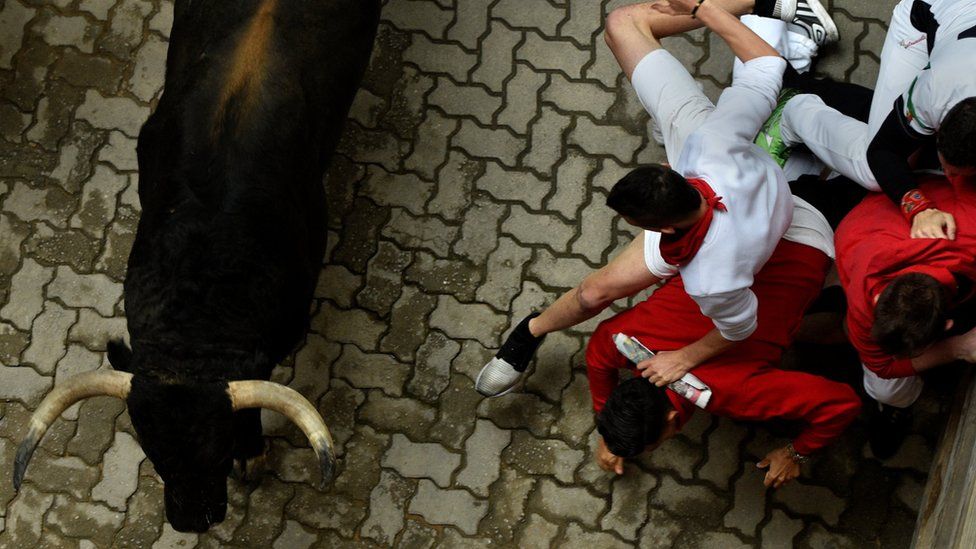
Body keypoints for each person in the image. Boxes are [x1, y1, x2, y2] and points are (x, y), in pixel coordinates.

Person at [476, 1, 839, 397]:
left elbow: (740, 328)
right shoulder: (712, 141)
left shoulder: (709, 280)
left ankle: (529, 331)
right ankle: (769, 3)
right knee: (622, 24)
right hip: (729, 177)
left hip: (786, 227)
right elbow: (766, 66)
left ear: (662, 227)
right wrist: (702, 8)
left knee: (592, 293)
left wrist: (685, 357)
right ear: (669, 171)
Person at [588, 212, 860, 488]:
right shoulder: (620, 339)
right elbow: (597, 353)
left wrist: (795, 452)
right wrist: (612, 429)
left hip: (809, 239)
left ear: (671, 419)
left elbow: (840, 403)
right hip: (747, 216)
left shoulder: (734, 395)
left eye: (654, 445)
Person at [760, 0, 976, 240]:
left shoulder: (943, 88)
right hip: (927, 16)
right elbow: (882, 151)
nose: (948, 173)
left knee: (902, 136)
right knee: (873, 170)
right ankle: (793, 111)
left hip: (960, 40)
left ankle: (798, 56)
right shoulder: (937, 88)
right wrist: (917, 208)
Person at [836, 173, 976, 458]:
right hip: (865, 222)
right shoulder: (865, 304)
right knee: (886, 389)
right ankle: (896, 407)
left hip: (939, 192)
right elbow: (883, 366)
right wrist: (956, 349)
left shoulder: (970, 232)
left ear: (949, 323)